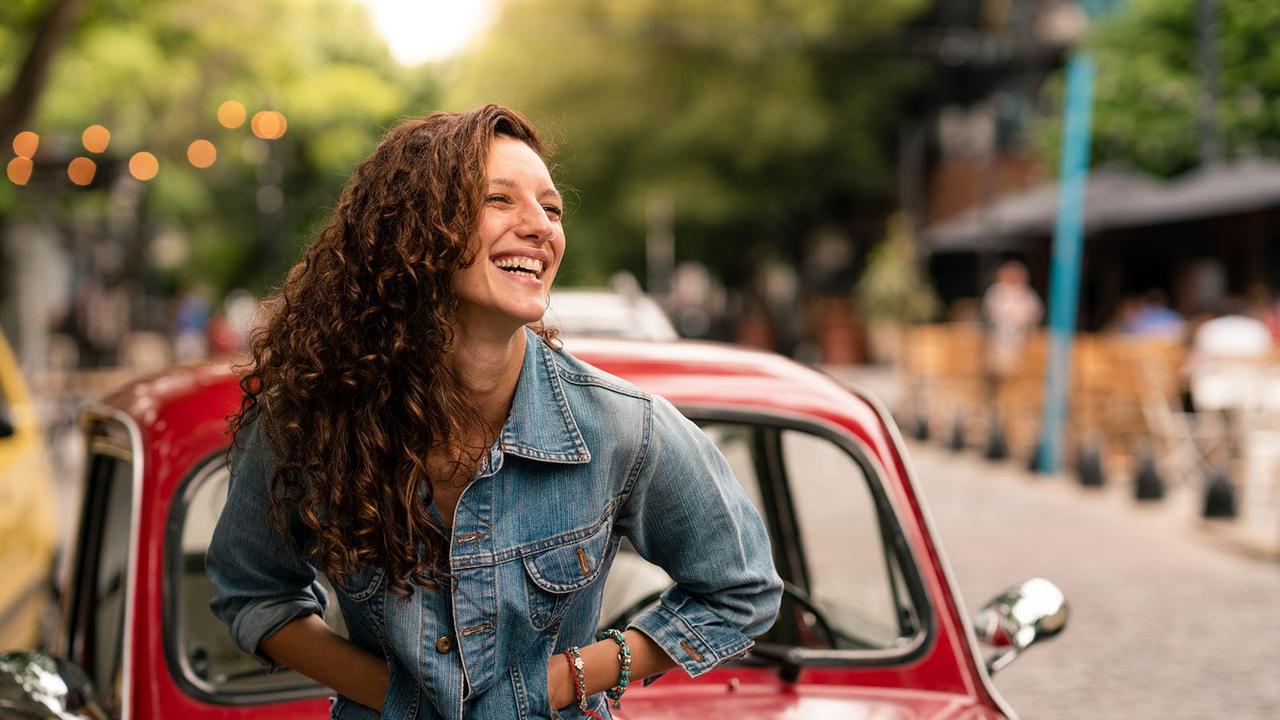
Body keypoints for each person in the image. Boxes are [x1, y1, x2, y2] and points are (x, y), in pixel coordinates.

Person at [205, 105, 782, 720]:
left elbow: (741, 588)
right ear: (412, 230)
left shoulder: (620, 426)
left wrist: (560, 682)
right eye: (499, 200)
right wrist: (396, 698)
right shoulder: (309, 419)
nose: (540, 227)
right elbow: (253, 592)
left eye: (552, 209)